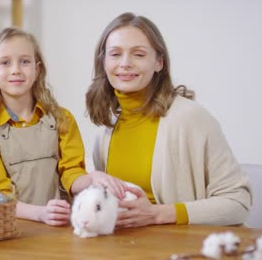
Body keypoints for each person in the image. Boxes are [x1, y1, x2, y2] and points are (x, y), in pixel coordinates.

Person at [85, 12, 252, 227]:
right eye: (115, 54)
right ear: (103, 62)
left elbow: (238, 203)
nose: (125, 63)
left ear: (159, 63)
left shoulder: (191, 118)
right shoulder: (105, 133)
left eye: (139, 54)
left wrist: (158, 214)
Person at [0, 27, 101, 226]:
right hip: (10, 227)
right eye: (5, 63)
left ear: (37, 69)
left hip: (60, 224)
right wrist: (40, 213)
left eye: (25, 62)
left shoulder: (62, 119)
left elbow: (72, 173)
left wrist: (93, 179)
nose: (16, 69)